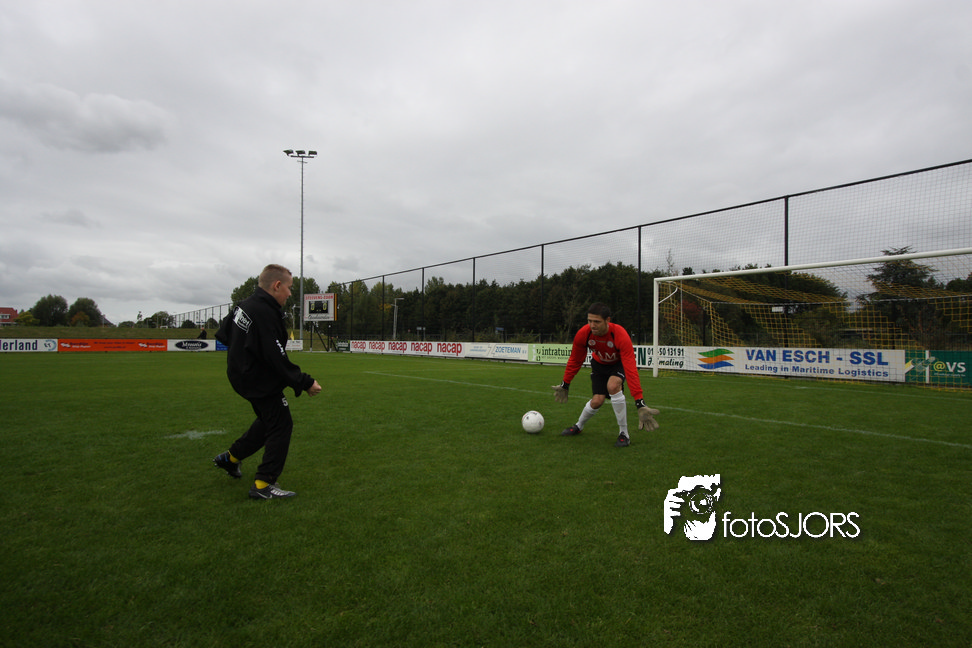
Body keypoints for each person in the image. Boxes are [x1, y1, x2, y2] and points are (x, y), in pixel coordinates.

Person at [212, 264, 322, 499]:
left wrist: (241, 356)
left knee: (268, 420)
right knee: (281, 423)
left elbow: (224, 333)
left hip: (241, 374)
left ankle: (230, 458)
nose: (290, 294)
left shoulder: (245, 304)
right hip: (256, 378)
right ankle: (263, 484)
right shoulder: (263, 312)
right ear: (277, 285)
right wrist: (305, 382)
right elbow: (276, 357)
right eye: (289, 288)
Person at [551, 302, 659, 447]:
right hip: (599, 364)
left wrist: (639, 402)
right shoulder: (584, 333)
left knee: (613, 386)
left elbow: (631, 369)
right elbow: (575, 360)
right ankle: (578, 426)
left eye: (597, 321)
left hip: (618, 364)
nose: (592, 325)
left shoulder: (619, 334)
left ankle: (624, 434)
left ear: (607, 320)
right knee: (597, 401)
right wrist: (565, 384)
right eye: (589, 321)